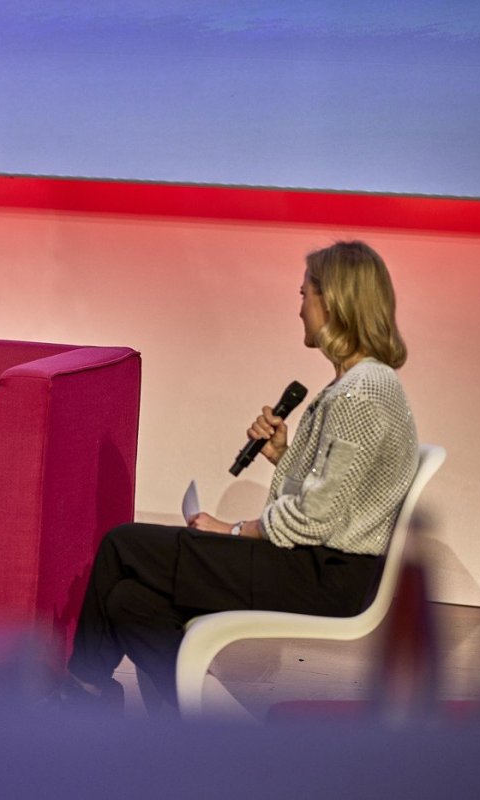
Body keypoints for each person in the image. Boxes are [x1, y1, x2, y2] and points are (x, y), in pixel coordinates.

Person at [65, 240, 419, 711]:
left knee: (122, 544)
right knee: (129, 601)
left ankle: (82, 693)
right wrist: (283, 456)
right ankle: (207, 724)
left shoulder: (362, 392)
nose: (300, 310)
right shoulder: (358, 385)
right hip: (315, 564)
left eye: (304, 295)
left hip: (325, 575)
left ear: (333, 301)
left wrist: (232, 530)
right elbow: (327, 498)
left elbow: (316, 518)